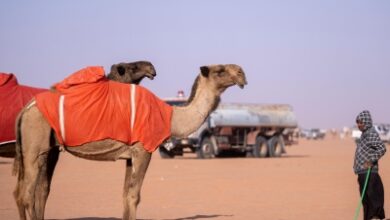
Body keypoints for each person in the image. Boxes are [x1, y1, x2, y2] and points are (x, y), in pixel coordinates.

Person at [354, 110, 386, 220]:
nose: (358, 124)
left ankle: (375, 217)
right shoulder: (364, 134)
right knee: (366, 199)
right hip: (362, 172)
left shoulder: (371, 133)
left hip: (369, 172)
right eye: (357, 122)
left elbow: (382, 148)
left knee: (373, 197)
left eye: (360, 122)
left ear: (366, 122)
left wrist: (371, 160)